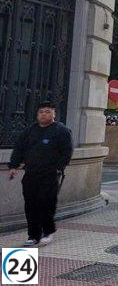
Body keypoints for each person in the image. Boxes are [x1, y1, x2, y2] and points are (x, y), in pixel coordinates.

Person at [7, 102, 73, 246]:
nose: (44, 114)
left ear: (54, 114)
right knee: (30, 205)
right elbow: (19, 149)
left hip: (50, 174)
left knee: (46, 203)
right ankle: (33, 235)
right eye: (41, 112)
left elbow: (67, 152)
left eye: (47, 111)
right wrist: (14, 166)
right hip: (31, 173)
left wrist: (58, 167)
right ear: (37, 115)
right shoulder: (30, 131)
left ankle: (47, 231)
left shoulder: (61, 131)